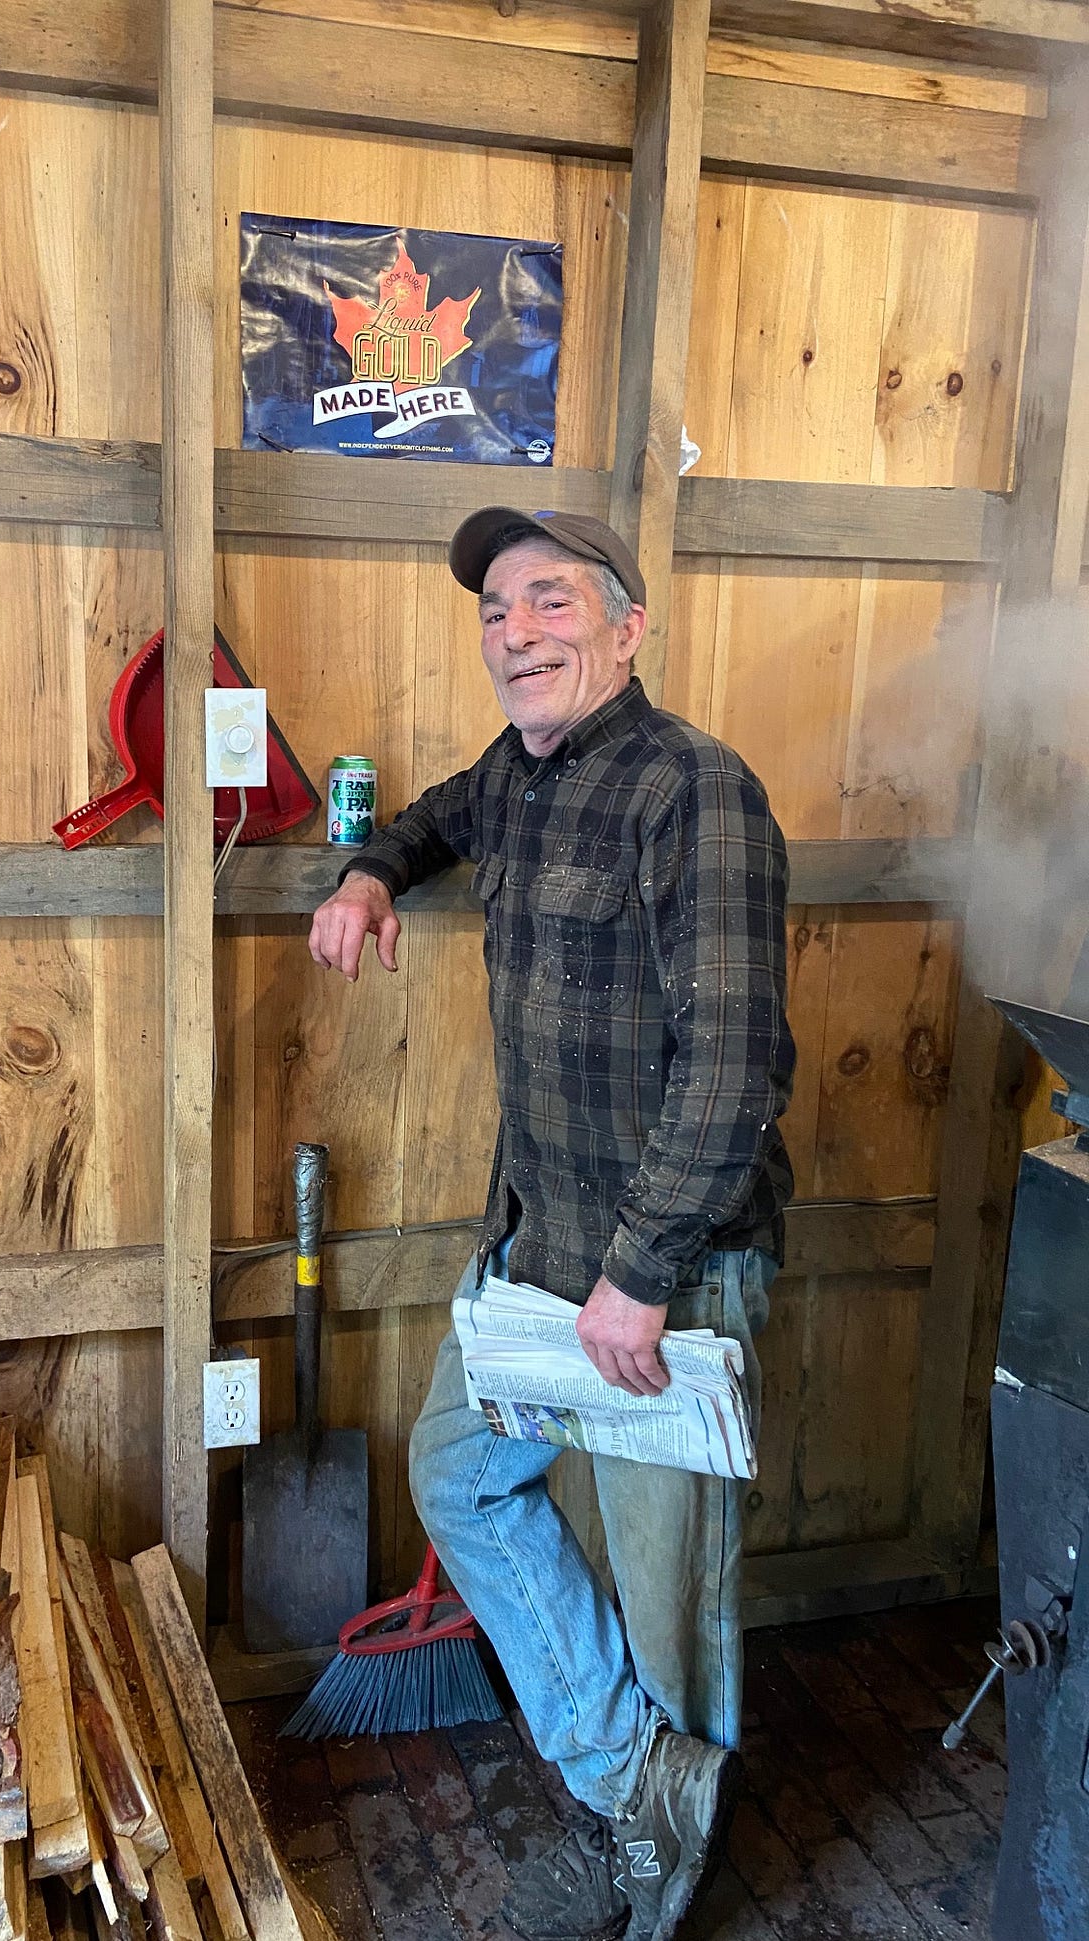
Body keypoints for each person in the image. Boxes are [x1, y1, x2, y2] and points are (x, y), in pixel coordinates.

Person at [308, 507, 795, 1941]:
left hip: (666, 1277)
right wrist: (369, 873)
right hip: (532, 1250)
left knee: (670, 1601)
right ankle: (634, 1783)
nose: (514, 632)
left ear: (627, 629)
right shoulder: (512, 779)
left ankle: (661, 1875)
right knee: (460, 1476)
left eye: (550, 601)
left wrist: (640, 1275)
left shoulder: (694, 791)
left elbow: (735, 1067)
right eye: (494, 612)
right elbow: (430, 818)